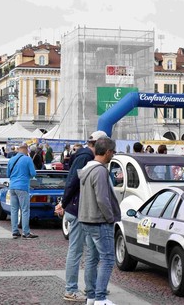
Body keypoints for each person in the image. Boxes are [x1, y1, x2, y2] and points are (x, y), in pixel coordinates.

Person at [55, 130, 108, 302]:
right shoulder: (85, 157)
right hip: (78, 210)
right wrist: (63, 203)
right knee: (77, 251)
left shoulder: (84, 156)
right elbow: (72, 181)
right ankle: (71, 289)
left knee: (91, 252)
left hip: (81, 210)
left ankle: (91, 288)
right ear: (99, 144)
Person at [79, 137, 120, 305]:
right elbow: (102, 199)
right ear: (108, 152)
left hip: (86, 218)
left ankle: (91, 295)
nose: (113, 155)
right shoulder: (101, 171)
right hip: (99, 220)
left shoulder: (87, 169)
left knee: (92, 258)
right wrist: (110, 217)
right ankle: (100, 297)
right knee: (108, 259)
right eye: (113, 152)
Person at [7, 143, 37, 239]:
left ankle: (15, 231)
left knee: (14, 209)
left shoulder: (11, 159)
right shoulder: (27, 159)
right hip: (22, 186)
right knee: (24, 210)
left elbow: (8, 174)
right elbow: (33, 173)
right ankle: (26, 232)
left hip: (12, 187)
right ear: (26, 150)